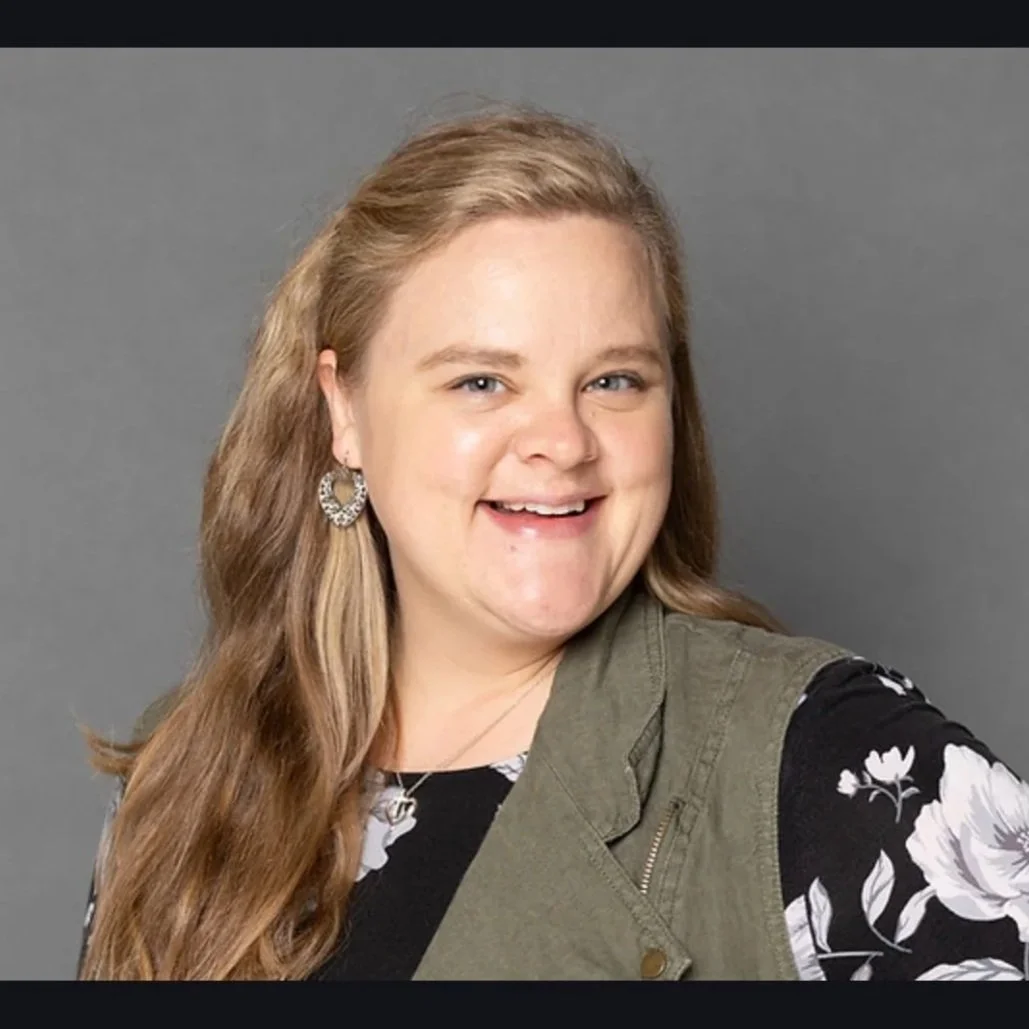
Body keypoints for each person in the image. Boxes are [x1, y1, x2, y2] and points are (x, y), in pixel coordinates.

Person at [76, 106, 1029, 982]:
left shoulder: (835, 762)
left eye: (614, 381)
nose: (562, 442)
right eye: (481, 381)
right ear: (345, 412)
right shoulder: (188, 775)